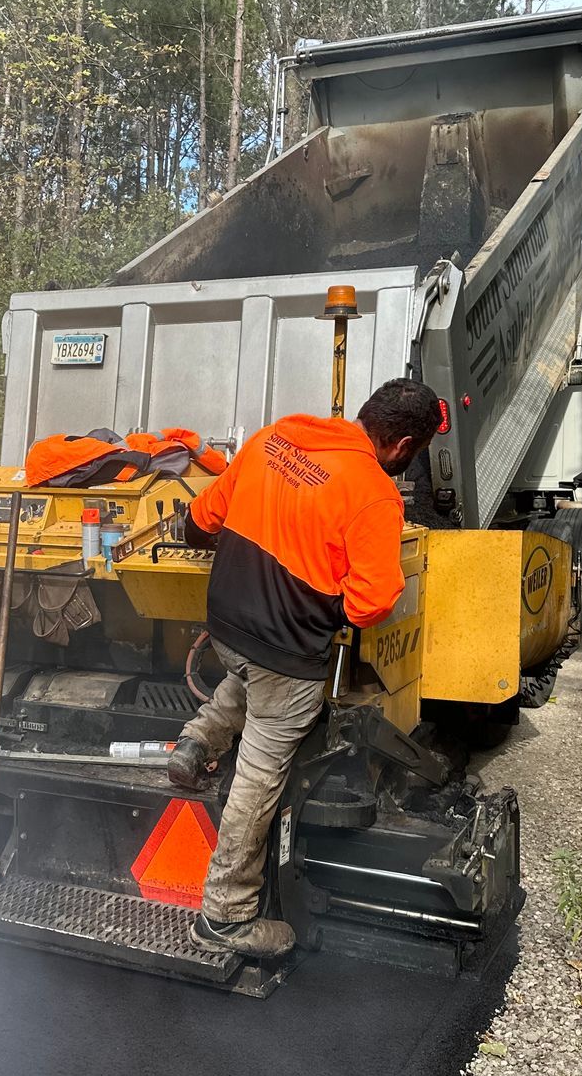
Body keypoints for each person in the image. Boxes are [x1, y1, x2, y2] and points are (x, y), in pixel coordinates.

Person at [167, 378, 442, 958]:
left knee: (248, 679)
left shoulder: (277, 438)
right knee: (260, 770)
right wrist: (320, 604)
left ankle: (194, 745)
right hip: (284, 652)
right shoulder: (373, 492)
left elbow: (203, 518)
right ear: (403, 445)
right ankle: (224, 917)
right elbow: (371, 601)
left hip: (226, 630)